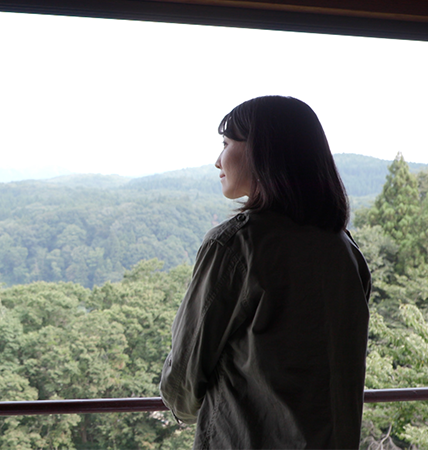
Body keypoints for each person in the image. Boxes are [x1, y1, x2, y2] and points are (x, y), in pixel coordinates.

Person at [159, 96, 371, 449]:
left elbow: (185, 376)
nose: (218, 161)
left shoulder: (237, 244)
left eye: (226, 143)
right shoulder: (344, 249)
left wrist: (184, 407)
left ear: (261, 152)